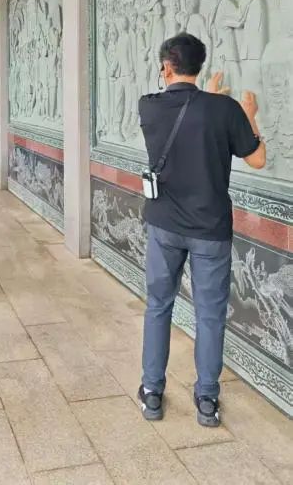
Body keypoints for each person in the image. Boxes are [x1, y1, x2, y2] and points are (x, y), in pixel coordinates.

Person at [138, 33, 265, 427]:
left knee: (159, 306)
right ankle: (207, 399)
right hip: (211, 229)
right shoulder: (225, 109)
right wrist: (249, 116)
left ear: (166, 67)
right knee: (210, 315)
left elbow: (188, 118)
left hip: (164, 227)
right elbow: (258, 159)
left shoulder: (148, 106)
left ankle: (152, 391)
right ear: (200, 65)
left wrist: (209, 100)